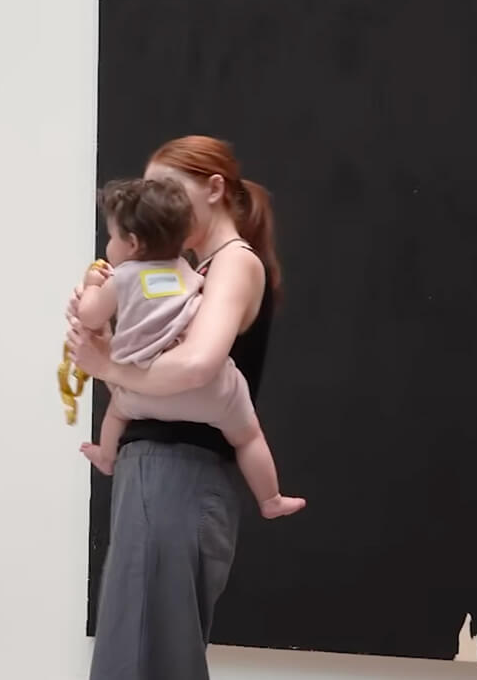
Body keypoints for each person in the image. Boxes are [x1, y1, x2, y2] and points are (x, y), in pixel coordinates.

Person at [68, 135, 281, 680]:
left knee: (140, 660)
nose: (154, 201)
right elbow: (162, 376)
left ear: (214, 189)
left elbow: (196, 366)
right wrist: (107, 342)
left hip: (173, 477)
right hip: (166, 477)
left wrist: (105, 364)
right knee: (149, 655)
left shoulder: (232, 264)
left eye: (166, 188)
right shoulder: (191, 270)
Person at [75, 177, 305, 519]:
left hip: (145, 394)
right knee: (248, 435)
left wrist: (92, 286)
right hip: (213, 393)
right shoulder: (190, 272)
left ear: (133, 243)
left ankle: (106, 457)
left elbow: (90, 315)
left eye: (112, 237)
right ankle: (270, 498)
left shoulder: (122, 279)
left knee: (118, 411)